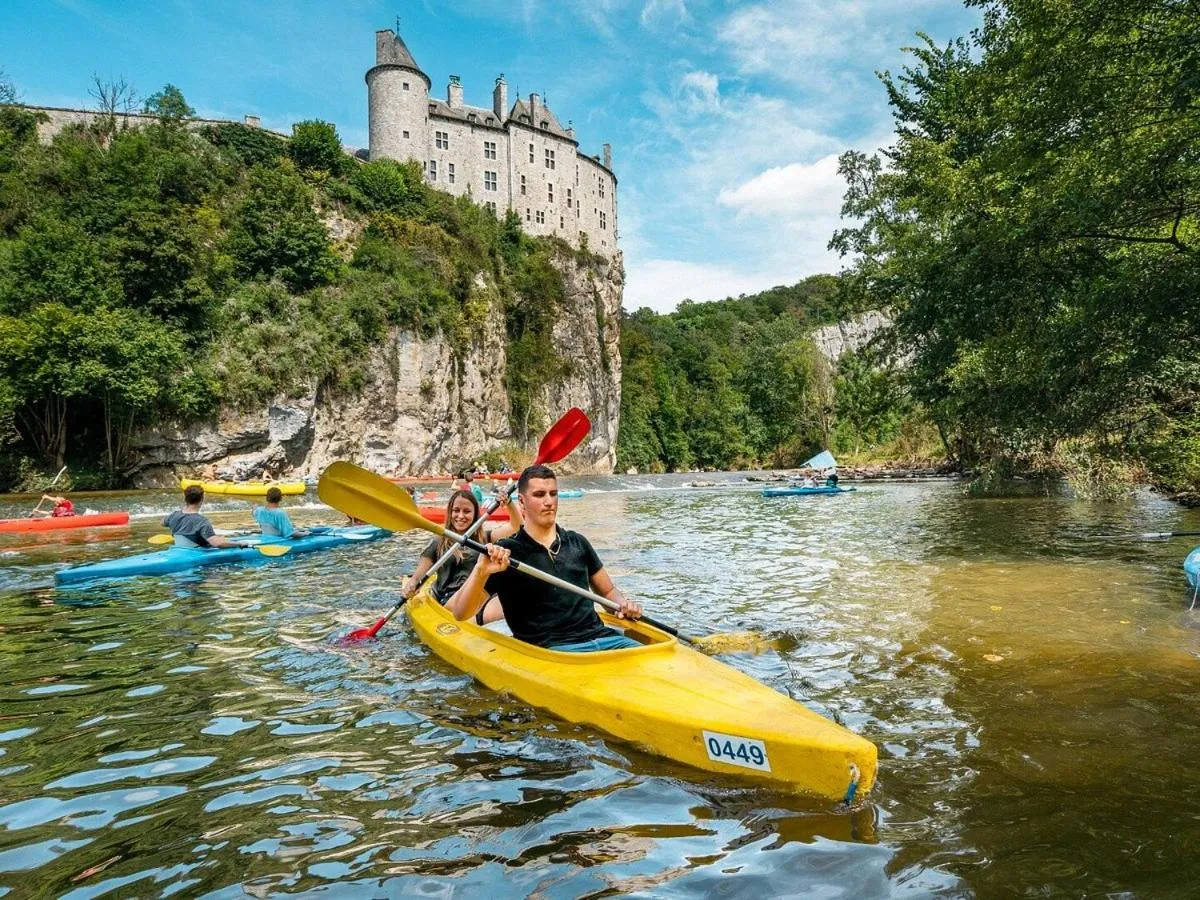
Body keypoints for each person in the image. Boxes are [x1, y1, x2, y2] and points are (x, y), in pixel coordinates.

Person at [447, 464, 643, 651]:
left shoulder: (578, 542)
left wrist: (623, 605)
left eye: (553, 494)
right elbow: (460, 613)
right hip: (553, 651)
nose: (549, 501)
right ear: (522, 502)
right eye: (539, 495)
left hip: (605, 639)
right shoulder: (505, 553)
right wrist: (480, 571)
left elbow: (608, 592)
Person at [402, 487, 522, 625]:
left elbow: (517, 527)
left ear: (475, 514)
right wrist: (412, 584)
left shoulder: (485, 538)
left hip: (478, 597)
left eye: (467, 511)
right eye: (456, 510)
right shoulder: (439, 541)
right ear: (450, 512)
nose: (460, 516)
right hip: (450, 601)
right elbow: (418, 575)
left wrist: (509, 504)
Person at [163, 485, 245, 548]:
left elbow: (162, 523)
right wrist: (239, 544)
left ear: (185, 498)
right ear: (202, 498)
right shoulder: (202, 521)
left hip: (178, 549)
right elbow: (217, 544)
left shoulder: (174, 515)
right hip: (196, 553)